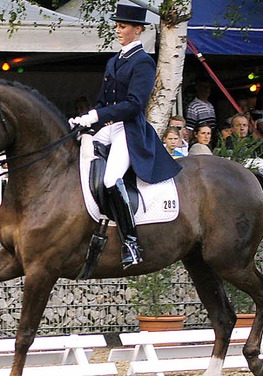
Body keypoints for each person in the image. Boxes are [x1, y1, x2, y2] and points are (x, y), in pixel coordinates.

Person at [69, 4, 181, 267]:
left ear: (137, 30)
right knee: (78, 157)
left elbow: (134, 104)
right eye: (117, 26)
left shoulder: (143, 62)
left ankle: (131, 242)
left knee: (111, 178)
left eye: (123, 26)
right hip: (108, 127)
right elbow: (102, 101)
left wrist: (98, 116)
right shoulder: (114, 61)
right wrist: (86, 119)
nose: (118, 30)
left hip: (128, 130)